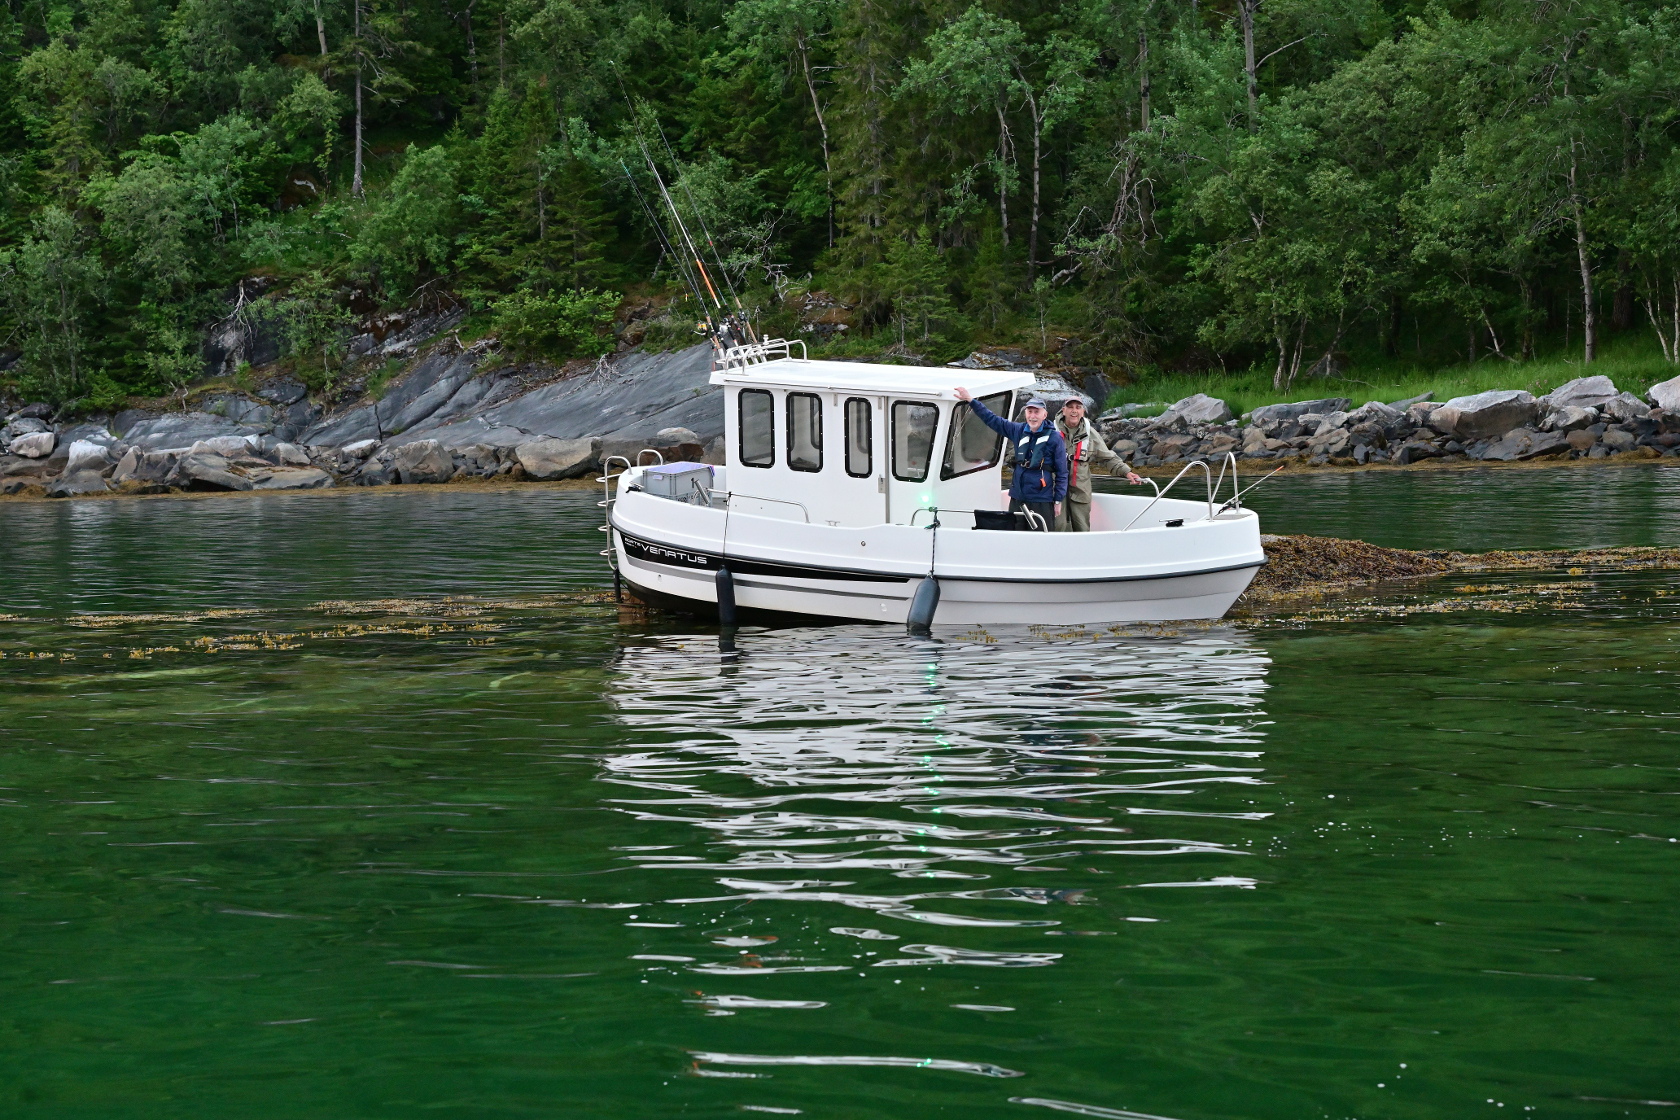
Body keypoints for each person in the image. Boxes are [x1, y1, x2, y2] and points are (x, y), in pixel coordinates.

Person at [954, 387, 1066, 530]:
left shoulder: (1055, 438)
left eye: (1036, 412)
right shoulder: (1017, 430)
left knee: (1040, 538)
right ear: (1025, 413)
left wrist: (1058, 500)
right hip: (1018, 497)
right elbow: (992, 420)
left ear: (1044, 415)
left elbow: (1062, 472)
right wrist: (971, 400)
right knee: (1015, 536)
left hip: (1041, 499)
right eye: (1030, 411)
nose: (1033, 416)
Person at [1056, 396, 1145, 531]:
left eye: (1078, 407)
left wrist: (1126, 472)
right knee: (1058, 527)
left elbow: (1107, 457)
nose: (1074, 411)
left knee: (1082, 528)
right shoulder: (1051, 431)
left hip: (1080, 490)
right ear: (1064, 410)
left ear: (1083, 411)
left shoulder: (1090, 433)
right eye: (1070, 407)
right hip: (1055, 491)